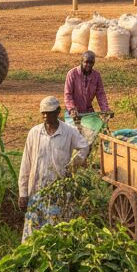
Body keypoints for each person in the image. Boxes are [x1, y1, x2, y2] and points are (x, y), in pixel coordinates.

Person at [17, 96, 90, 240]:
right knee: (33, 236)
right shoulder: (34, 133)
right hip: (36, 192)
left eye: (49, 113)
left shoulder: (69, 132)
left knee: (56, 234)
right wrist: (23, 193)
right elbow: (26, 163)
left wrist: (72, 166)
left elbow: (84, 147)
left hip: (59, 192)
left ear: (58, 112)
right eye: (43, 113)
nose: (45, 116)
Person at [63, 51, 110, 121]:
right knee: (73, 128)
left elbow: (101, 94)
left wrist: (105, 109)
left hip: (88, 111)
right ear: (81, 61)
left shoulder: (96, 76)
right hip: (73, 111)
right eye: (86, 62)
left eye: (91, 63)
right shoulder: (72, 74)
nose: (88, 65)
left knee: (98, 126)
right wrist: (72, 109)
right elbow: (68, 94)